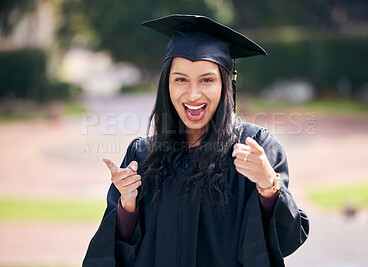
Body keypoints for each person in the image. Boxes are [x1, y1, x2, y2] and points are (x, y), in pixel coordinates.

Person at [83, 14, 309, 267]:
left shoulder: (254, 149)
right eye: (180, 79)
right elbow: (117, 252)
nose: (193, 94)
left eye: (207, 80)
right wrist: (127, 205)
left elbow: (288, 240)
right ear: (166, 85)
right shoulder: (143, 155)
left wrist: (269, 186)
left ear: (226, 84)